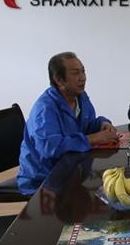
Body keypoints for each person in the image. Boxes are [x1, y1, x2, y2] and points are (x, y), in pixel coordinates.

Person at [17, 52, 119, 195]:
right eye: (75, 73)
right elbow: (50, 148)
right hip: (44, 179)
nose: (83, 77)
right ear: (59, 80)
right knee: (101, 192)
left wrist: (102, 123)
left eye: (83, 71)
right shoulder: (44, 109)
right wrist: (95, 138)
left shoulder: (80, 97)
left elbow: (86, 125)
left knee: (111, 186)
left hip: (72, 170)